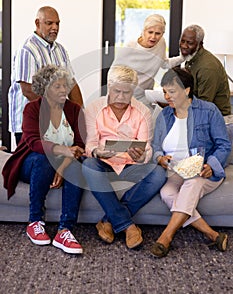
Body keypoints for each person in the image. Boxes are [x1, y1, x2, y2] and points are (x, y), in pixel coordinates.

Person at [2, 65, 86, 254]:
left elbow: (80, 145)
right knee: (44, 158)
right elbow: (34, 143)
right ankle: (35, 221)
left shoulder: (74, 110)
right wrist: (62, 150)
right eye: (58, 86)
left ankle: (65, 230)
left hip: (65, 161)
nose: (64, 90)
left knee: (76, 168)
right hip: (31, 162)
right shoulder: (32, 109)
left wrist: (63, 167)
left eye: (65, 85)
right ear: (45, 88)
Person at [82, 65, 167, 249]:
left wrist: (141, 157)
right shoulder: (93, 108)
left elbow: (148, 149)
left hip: (130, 165)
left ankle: (108, 221)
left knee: (159, 174)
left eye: (126, 93)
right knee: (88, 164)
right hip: (103, 164)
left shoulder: (143, 111)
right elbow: (90, 145)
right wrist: (98, 152)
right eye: (117, 91)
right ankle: (127, 225)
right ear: (109, 87)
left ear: (133, 91)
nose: (121, 97)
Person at [150, 67, 231, 258]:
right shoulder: (165, 115)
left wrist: (211, 165)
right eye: (164, 92)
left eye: (171, 91)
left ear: (186, 90)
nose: (167, 97)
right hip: (176, 170)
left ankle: (165, 237)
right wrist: (160, 157)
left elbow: (223, 145)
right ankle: (212, 234)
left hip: (203, 170)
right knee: (166, 192)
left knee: (193, 183)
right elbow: (155, 147)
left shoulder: (209, 111)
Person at [9, 6, 83, 145]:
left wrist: (79, 116)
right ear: (38, 23)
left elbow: (71, 84)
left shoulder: (60, 50)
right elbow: (28, 90)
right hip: (30, 122)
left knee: (61, 162)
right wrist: (54, 115)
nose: (55, 27)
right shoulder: (27, 49)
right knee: (35, 163)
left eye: (57, 23)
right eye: (49, 23)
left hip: (58, 123)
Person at [111, 14, 188, 111]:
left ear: (163, 34)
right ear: (143, 31)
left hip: (145, 96)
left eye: (158, 33)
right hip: (125, 96)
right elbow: (113, 74)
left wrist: (183, 57)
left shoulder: (161, 43)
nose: (153, 37)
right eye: (150, 32)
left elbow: (165, 64)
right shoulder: (130, 47)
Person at [181, 24, 231, 116]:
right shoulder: (191, 59)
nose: (184, 46)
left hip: (217, 119)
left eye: (189, 43)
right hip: (198, 112)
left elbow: (203, 105)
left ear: (200, 44)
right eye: (182, 41)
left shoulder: (207, 68)